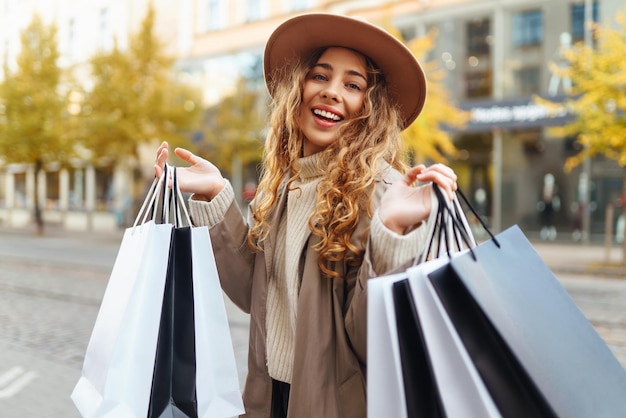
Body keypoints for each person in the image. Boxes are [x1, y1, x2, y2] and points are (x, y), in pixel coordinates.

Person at [155, 13, 457, 418]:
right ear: (297, 89)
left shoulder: (380, 192)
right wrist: (216, 195)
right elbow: (256, 294)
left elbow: (374, 339)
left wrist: (393, 233)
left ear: (371, 108)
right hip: (272, 397)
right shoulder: (286, 185)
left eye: (353, 85)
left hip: (334, 405)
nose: (332, 92)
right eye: (320, 76)